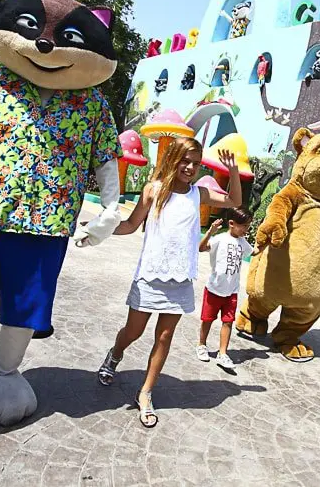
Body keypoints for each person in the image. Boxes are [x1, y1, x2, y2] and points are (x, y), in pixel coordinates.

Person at [91, 137, 242, 428]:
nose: (190, 167)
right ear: (172, 158)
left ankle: (145, 392)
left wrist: (233, 171)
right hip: (151, 274)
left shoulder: (199, 194)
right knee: (134, 331)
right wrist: (99, 232)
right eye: (185, 160)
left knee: (164, 336)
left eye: (196, 163)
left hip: (180, 278)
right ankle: (115, 353)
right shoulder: (154, 190)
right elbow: (131, 225)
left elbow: (234, 200)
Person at [196, 208, 253, 370]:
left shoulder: (243, 243)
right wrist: (210, 232)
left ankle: (223, 353)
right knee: (207, 320)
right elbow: (201, 248)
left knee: (227, 322)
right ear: (231, 224)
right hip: (214, 289)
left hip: (232, 292)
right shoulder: (219, 239)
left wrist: (267, 241)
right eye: (244, 226)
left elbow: (253, 252)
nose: (246, 230)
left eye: (248, 226)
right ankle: (201, 345)